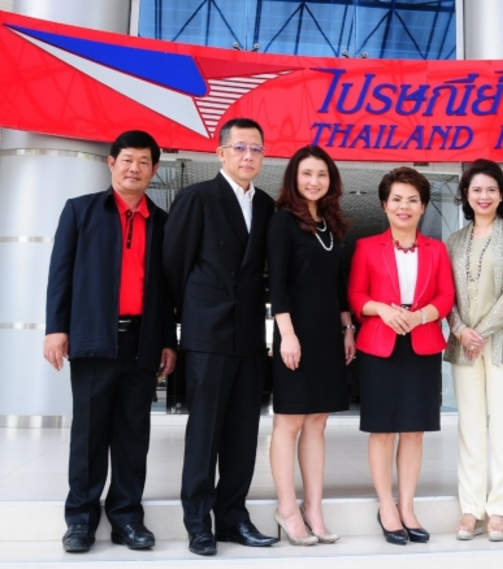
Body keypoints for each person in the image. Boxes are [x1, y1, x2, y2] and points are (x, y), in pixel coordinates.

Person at [44, 130, 177, 553]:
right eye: (127, 160)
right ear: (111, 163)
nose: (134, 168)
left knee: (133, 434)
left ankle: (127, 518)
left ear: (154, 170)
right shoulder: (80, 210)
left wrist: (167, 340)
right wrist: (56, 328)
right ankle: (80, 520)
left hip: (143, 342)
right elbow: (60, 273)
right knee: (88, 434)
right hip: (93, 338)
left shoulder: (163, 222)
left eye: (143, 162)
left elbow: (167, 290)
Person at [163, 118, 278, 556]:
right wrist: (173, 332)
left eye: (256, 149)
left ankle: (233, 517)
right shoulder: (197, 198)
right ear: (221, 152)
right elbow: (173, 269)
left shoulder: (265, 204)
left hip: (249, 334)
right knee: (204, 432)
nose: (249, 156)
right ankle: (198, 523)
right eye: (240, 147)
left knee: (243, 433)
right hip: (207, 333)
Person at [348, 166, 455, 546]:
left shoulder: (437, 249)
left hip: (422, 341)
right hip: (380, 343)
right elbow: (356, 296)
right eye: (396, 199)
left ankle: (407, 507)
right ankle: (386, 506)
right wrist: (382, 309)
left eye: (412, 200)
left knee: (413, 430)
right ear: (384, 204)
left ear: (423, 206)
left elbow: (446, 296)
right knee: (382, 429)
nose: (404, 206)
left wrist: (421, 315)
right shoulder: (366, 247)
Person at [267, 145, 355, 546]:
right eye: (306, 173)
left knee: (318, 421)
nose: (314, 181)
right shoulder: (282, 221)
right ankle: (287, 510)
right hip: (295, 332)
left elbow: (337, 285)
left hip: (327, 334)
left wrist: (347, 328)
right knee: (289, 422)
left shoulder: (332, 225)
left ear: (331, 180)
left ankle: (314, 509)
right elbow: (277, 283)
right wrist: (287, 334)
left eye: (321, 174)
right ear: (294, 178)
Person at [443, 159, 503, 542]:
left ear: (501, 195)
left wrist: (481, 332)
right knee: (470, 427)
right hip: (464, 345)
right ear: (465, 194)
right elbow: (445, 293)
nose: (484, 196)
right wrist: (461, 331)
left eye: (491, 189)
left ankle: (499, 510)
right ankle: (471, 508)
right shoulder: (453, 241)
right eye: (477, 189)